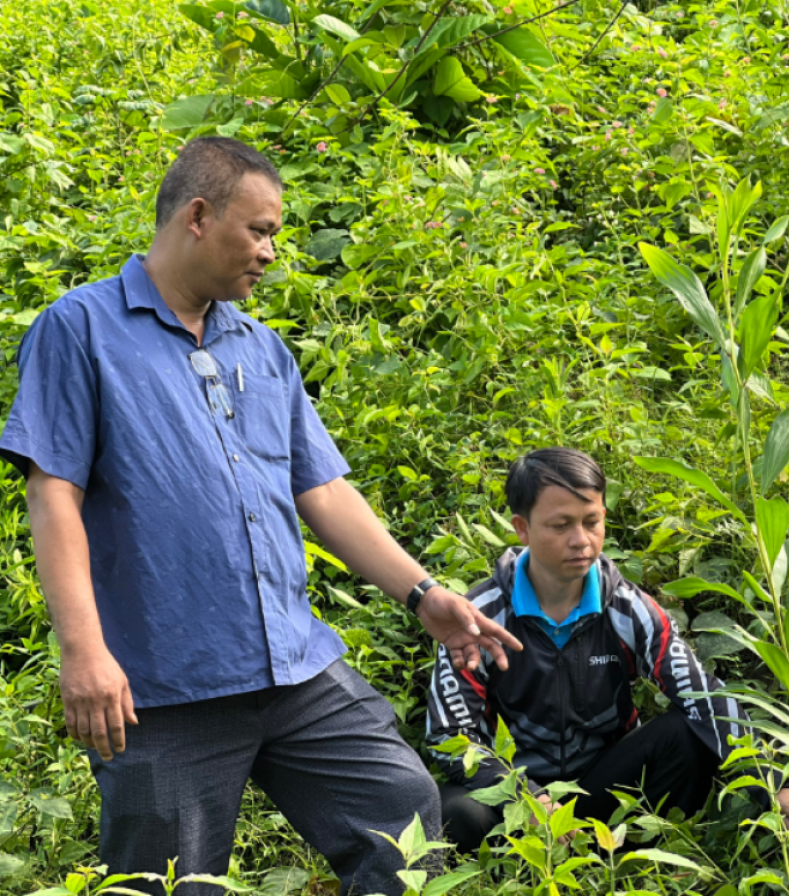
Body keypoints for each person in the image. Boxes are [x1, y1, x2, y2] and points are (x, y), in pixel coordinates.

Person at [0, 137, 522, 896]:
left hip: (294, 668)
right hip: (163, 686)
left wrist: (423, 593)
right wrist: (84, 652)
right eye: (262, 229)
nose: (272, 252)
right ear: (200, 217)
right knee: (167, 884)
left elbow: (324, 491)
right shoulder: (82, 331)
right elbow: (53, 496)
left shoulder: (263, 348)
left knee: (401, 814)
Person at [426, 447, 789, 853]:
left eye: (591, 522)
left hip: (606, 786)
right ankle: (532, 867)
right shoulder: (478, 618)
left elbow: (702, 694)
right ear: (522, 528)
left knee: (685, 735)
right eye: (560, 525)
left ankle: (638, 856)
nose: (581, 541)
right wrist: (528, 797)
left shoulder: (628, 608)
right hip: (517, 797)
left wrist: (776, 783)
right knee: (452, 809)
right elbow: (449, 735)